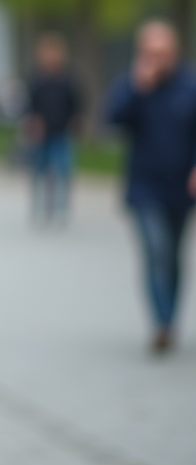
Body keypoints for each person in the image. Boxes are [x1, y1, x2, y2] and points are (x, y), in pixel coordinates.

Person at [108, 20, 196, 354]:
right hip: (145, 186)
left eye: (162, 52)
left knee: (173, 256)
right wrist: (137, 88)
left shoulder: (189, 87)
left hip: (181, 187)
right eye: (150, 52)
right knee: (157, 251)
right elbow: (112, 120)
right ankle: (161, 324)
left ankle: (170, 318)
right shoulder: (133, 86)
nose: (156, 59)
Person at [24, 33, 82, 227]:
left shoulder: (68, 78)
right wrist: (33, 123)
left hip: (61, 132)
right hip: (41, 134)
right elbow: (29, 105)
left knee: (63, 170)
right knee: (39, 171)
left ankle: (61, 209)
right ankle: (40, 208)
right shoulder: (36, 78)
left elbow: (76, 104)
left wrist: (75, 123)